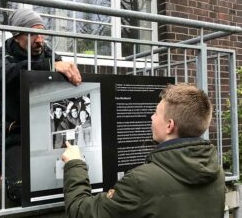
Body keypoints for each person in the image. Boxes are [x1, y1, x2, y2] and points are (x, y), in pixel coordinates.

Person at [62, 83, 225, 218]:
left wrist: (75, 164)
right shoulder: (216, 171)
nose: (151, 117)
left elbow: (81, 212)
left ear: (169, 125)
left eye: (156, 113)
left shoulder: (141, 182)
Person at [0, 8, 81, 204]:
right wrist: (48, 67)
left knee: (65, 183)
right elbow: (4, 75)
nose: (40, 39)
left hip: (47, 130)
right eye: (33, 34)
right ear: (17, 35)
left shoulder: (48, 53)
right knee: (19, 194)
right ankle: (5, 164)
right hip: (16, 134)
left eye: (42, 32)